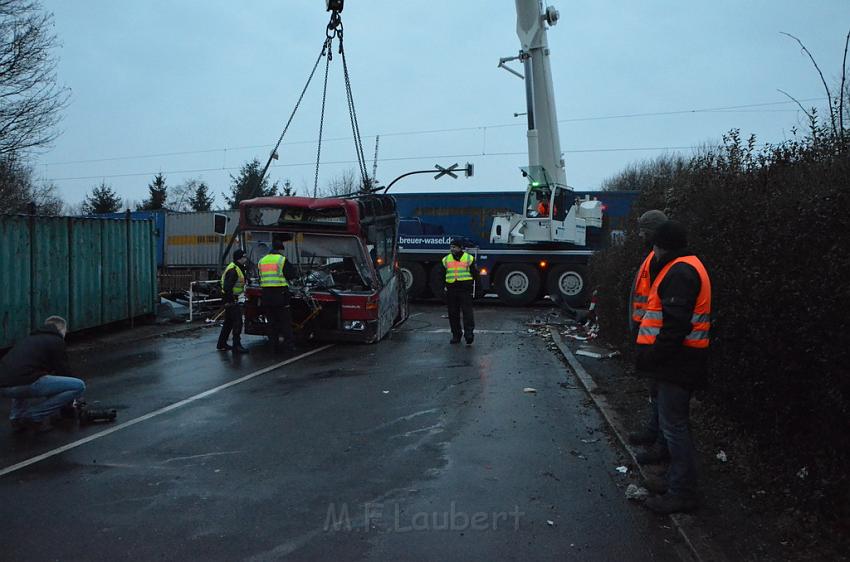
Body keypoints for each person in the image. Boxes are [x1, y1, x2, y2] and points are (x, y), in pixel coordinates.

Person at [635, 220, 712, 514]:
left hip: (678, 362)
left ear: (662, 245)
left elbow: (674, 326)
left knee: (675, 426)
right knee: (675, 424)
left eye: (653, 243)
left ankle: (682, 491)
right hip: (682, 360)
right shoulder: (686, 266)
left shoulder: (680, 271)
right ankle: (675, 481)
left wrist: (653, 356)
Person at [627, 210, 670, 463]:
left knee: (662, 395)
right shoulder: (653, 257)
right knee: (655, 392)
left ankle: (660, 445)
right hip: (647, 333)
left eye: (644, 230)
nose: (640, 235)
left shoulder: (660, 260)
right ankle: (653, 433)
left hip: (653, 337)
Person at [0, 316, 86, 432]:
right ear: (62, 329)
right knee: (78, 385)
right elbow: (64, 372)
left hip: (4, 385)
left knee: (22, 377)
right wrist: (70, 402)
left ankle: (17, 417)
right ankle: (35, 416)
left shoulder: (28, 339)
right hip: (24, 383)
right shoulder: (56, 341)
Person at [258, 239, 298, 353]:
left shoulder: (262, 261)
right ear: (280, 249)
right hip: (280, 295)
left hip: (266, 295)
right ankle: (288, 345)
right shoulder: (281, 260)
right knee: (285, 322)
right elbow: (291, 274)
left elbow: (261, 276)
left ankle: (273, 345)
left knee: (271, 322)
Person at [440, 239, 479, 345]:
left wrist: (479, 289)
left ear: (460, 248)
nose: (452, 249)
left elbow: (475, 274)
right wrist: (441, 290)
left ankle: (469, 334)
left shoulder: (469, 259)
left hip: (464, 290)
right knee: (453, 314)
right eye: (451, 247)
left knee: (467, 313)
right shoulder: (446, 260)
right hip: (451, 289)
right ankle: (456, 335)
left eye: (454, 247)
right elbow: (441, 276)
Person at [217, 248, 249, 353]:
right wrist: (232, 300)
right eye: (244, 257)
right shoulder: (234, 270)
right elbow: (227, 287)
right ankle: (236, 345)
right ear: (239, 258)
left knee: (229, 322)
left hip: (231, 299)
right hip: (231, 300)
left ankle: (221, 343)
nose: (245, 258)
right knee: (237, 322)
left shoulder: (237, 268)